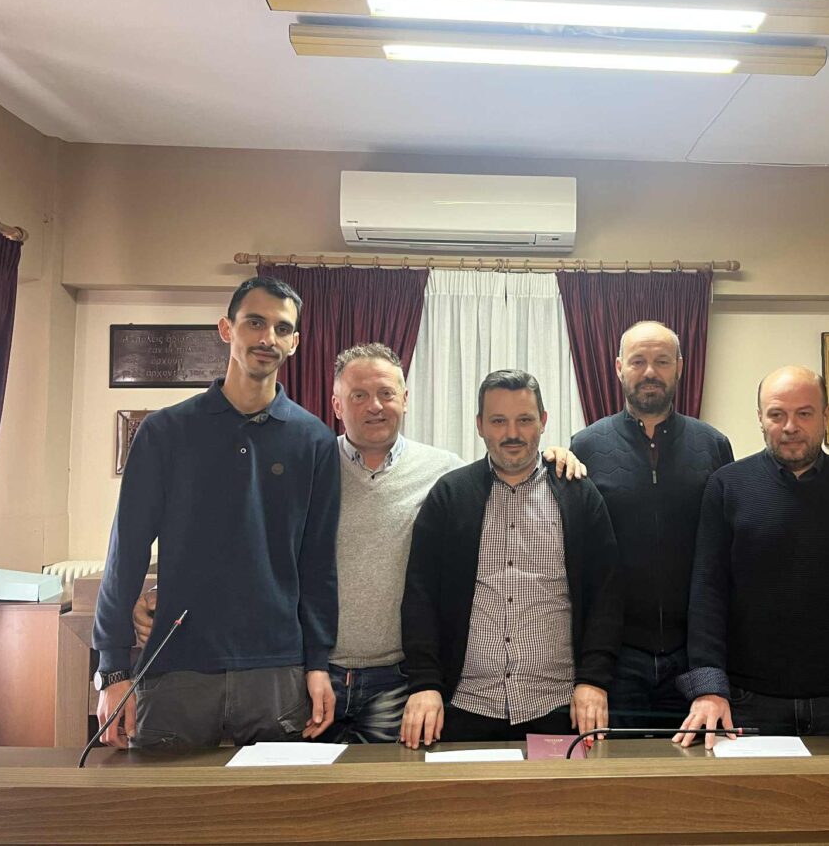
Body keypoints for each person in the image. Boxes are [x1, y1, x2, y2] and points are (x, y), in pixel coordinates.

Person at [132, 342, 587, 744]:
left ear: (405, 399)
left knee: (388, 801)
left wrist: (557, 456)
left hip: (398, 679)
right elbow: (247, 545)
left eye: (387, 393)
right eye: (359, 395)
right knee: (309, 800)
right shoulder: (307, 463)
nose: (375, 406)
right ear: (336, 404)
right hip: (310, 673)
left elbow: (508, 465)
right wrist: (166, 593)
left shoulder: (445, 474)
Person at [93, 276, 340, 749]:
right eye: (255, 322)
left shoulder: (315, 442)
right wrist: (113, 668)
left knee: (275, 799)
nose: (268, 338)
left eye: (281, 328)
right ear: (227, 329)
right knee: (163, 797)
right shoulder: (165, 432)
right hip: (177, 666)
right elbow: (126, 553)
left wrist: (317, 664)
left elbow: (318, 566)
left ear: (294, 342)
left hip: (276, 670)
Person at [675, 366, 829, 753]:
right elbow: (707, 593)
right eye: (777, 414)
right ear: (760, 418)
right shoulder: (726, 486)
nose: (790, 426)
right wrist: (708, 688)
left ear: (825, 415)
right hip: (746, 704)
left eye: (804, 413)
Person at [399, 370, 621, 747]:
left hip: (558, 706)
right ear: (479, 425)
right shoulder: (450, 495)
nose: (512, 433)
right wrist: (425, 684)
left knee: (561, 791)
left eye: (525, 420)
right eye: (498, 421)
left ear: (544, 421)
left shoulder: (578, 495)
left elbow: (606, 595)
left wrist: (593, 680)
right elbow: (420, 595)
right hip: (464, 704)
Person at [570, 321, 733, 728]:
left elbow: (724, 553)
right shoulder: (586, 445)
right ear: (619, 368)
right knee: (613, 765)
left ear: (679, 367)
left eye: (661, 361)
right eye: (638, 361)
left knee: (695, 763)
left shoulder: (713, 445)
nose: (649, 372)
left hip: (693, 657)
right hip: (616, 658)